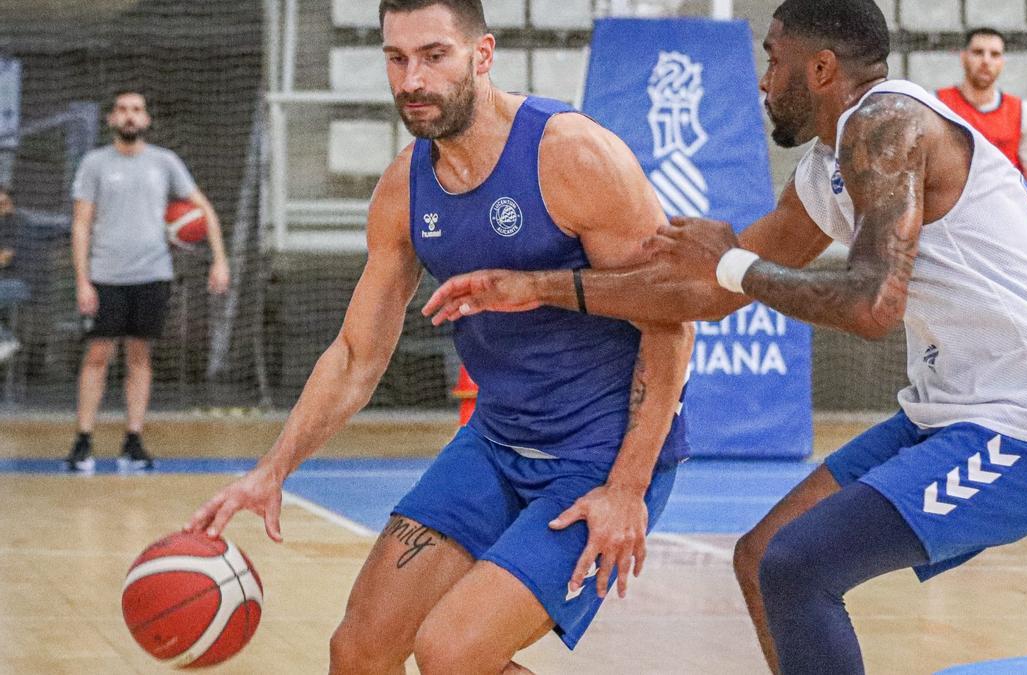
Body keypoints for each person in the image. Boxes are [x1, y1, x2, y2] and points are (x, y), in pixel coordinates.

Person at [421, 1, 1027, 672]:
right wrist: (540, 288)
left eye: (774, 58)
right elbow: (708, 294)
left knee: (800, 564)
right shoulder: (829, 165)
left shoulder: (888, 124)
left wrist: (730, 261)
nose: (762, 80)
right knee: (763, 557)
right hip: (955, 409)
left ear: (820, 69)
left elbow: (873, 304)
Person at [186, 1, 692, 672]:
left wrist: (628, 484)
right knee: (359, 650)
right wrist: (272, 468)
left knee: (452, 651)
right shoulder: (405, 187)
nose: (411, 80)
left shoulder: (571, 155)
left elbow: (671, 317)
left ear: (481, 55)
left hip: (598, 453)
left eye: (433, 56)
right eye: (396, 59)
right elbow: (356, 356)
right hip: (496, 440)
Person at [66, 90, 230, 473]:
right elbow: (81, 224)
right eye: (122, 110)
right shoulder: (94, 164)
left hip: (153, 275)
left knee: (140, 358)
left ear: (146, 120)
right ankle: (83, 439)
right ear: (111, 119)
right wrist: (82, 280)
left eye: (137, 110)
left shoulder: (164, 162)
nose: (129, 116)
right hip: (106, 276)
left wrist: (220, 260)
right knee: (97, 357)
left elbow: (204, 209)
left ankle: (133, 439)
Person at [936, 28, 1027, 219]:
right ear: (963, 57)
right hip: (951, 215)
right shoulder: (937, 105)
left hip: (1005, 215)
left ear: (1002, 62)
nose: (986, 60)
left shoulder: (1021, 111)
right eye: (978, 52)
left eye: (995, 54)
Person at [0, 186, 20, 364]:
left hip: (16, 283)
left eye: (4, 203)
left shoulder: (12, 223)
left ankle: (5, 340)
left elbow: (5, 258)